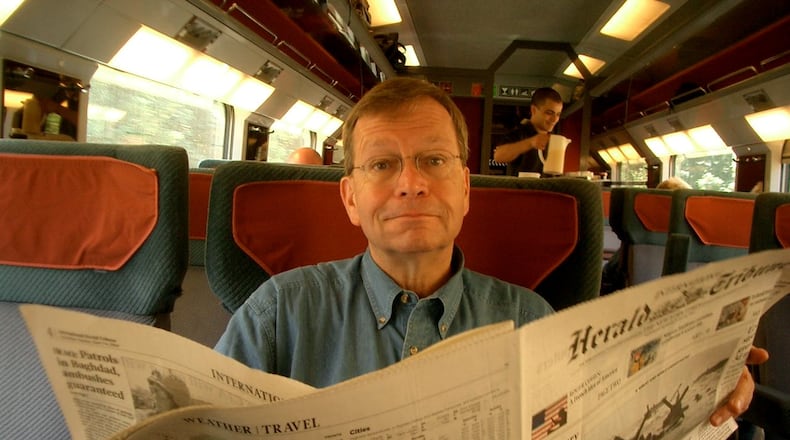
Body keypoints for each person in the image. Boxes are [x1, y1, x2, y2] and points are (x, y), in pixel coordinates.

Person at [215, 77, 766, 429]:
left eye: (434, 161)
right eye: (382, 165)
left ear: (464, 189)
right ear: (350, 198)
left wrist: (701, 385)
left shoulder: (531, 321)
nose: (411, 184)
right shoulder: (279, 314)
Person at [492, 87, 564, 176]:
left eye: (558, 114)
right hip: (522, 185)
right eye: (549, 113)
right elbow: (498, 156)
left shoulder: (555, 138)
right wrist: (531, 142)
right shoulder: (519, 133)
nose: (555, 119)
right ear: (533, 110)